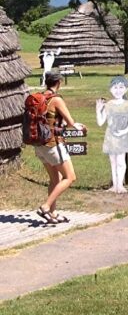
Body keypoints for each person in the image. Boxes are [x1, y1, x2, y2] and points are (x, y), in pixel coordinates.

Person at [32, 72, 85, 224]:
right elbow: (70, 122)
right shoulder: (56, 99)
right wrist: (78, 126)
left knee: (55, 179)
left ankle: (53, 214)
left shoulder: (40, 97)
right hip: (53, 145)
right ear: (59, 82)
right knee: (70, 177)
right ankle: (46, 206)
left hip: (39, 145)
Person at [95, 76, 128, 193]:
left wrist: (124, 131)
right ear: (111, 89)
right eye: (115, 87)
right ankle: (115, 185)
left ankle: (120, 184)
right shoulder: (108, 105)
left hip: (122, 136)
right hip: (110, 136)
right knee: (113, 161)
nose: (118, 90)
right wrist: (98, 110)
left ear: (126, 89)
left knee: (121, 160)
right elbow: (100, 122)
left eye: (121, 87)